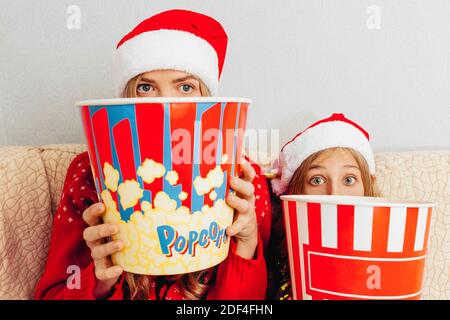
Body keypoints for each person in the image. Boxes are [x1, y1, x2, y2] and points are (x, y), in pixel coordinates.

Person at [35, 9, 271, 300]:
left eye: (185, 87)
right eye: (146, 87)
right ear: (128, 97)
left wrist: (246, 244)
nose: (165, 104)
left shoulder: (242, 180)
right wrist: (99, 281)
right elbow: (53, 294)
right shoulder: (89, 172)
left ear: (207, 98)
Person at [266, 113, 381, 300]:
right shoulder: (278, 262)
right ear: (295, 192)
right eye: (317, 180)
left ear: (367, 187)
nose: (334, 194)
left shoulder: (389, 250)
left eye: (349, 179)